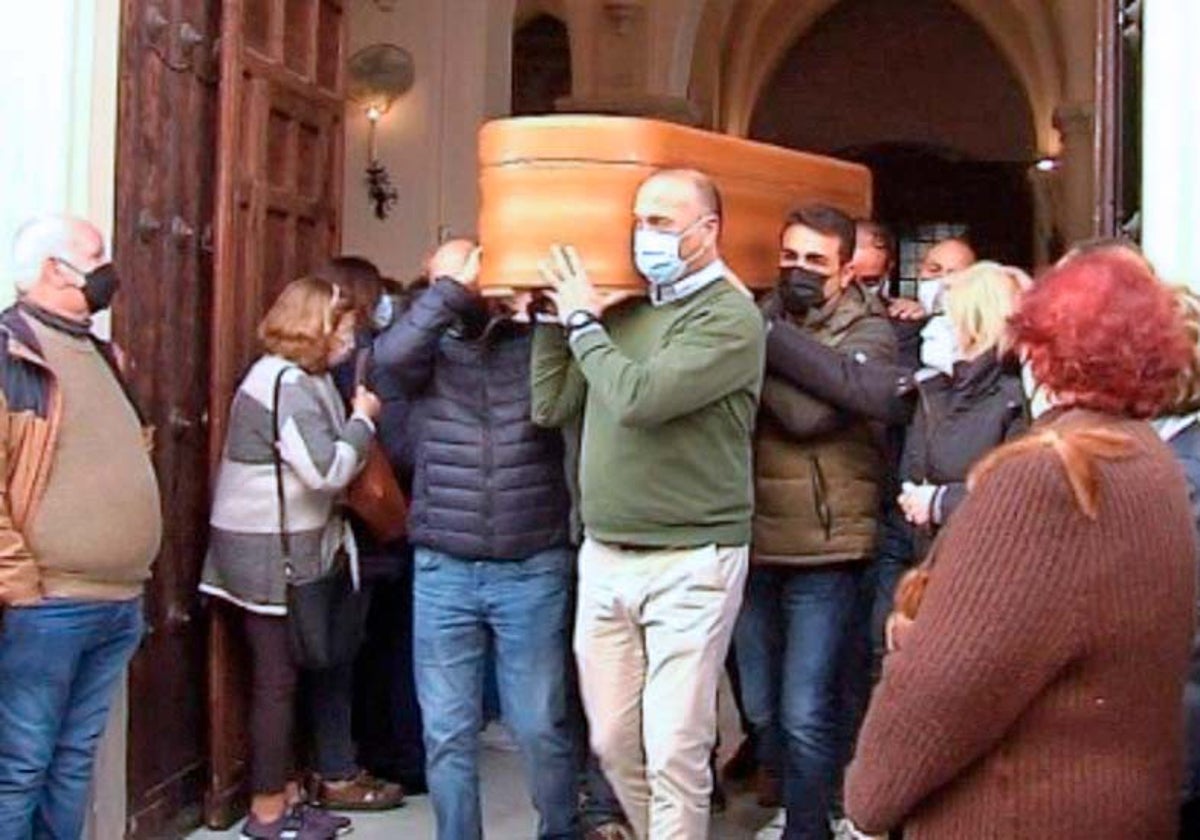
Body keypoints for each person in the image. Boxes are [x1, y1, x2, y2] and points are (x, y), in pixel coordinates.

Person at [845, 248, 1197, 838]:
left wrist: (867, 802)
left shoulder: (1051, 472)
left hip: (1021, 811)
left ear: (1038, 347)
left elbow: (949, 686)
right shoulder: (1148, 456)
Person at [533, 167, 765, 839]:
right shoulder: (626, 307)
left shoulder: (729, 314)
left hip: (694, 557)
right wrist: (553, 319)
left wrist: (580, 320)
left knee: (674, 749)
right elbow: (551, 405)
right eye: (639, 221)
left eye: (662, 222)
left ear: (707, 230)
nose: (646, 236)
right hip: (605, 554)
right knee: (611, 742)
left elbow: (639, 400)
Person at [373, 239, 579, 840]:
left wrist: (527, 307)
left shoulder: (539, 342)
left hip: (532, 562)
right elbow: (386, 364)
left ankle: (561, 830)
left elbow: (558, 401)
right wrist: (447, 295)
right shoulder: (421, 354)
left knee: (540, 725)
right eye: (444, 286)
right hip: (444, 567)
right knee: (446, 732)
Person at [735, 204, 895, 839]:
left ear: (847, 267)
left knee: (806, 707)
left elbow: (808, 419)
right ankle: (803, 804)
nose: (798, 271)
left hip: (827, 544)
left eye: (815, 261)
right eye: (791, 256)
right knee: (761, 708)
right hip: (752, 538)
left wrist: (759, 348)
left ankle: (809, 827)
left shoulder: (871, 332)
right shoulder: (758, 314)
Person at [201, 277, 381, 839]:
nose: (350, 342)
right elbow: (325, 471)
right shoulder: (288, 384)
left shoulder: (302, 377)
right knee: (277, 681)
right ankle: (268, 812)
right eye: (345, 331)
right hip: (266, 553)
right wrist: (364, 419)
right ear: (319, 329)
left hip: (274, 545)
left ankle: (290, 795)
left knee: (289, 675)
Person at [0, 216, 162, 839]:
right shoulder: (13, 352)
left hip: (117, 601)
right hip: (49, 605)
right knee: (21, 766)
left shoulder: (100, 353)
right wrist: (21, 585)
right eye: (94, 257)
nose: (107, 270)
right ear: (51, 270)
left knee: (71, 764)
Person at [303, 256, 408, 810]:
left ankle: (349, 761)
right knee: (361, 651)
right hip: (378, 527)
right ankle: (360, 762)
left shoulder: (353, 361)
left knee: (347, 652)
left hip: (355, 530)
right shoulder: (358, 361)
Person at [896, 261, 1027, 552]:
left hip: (986, 568)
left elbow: (1022, 496)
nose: (932, 327)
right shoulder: (934, 389)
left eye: (946, 316)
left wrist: (940, 502)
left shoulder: (1017, 399)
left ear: (976, 323)